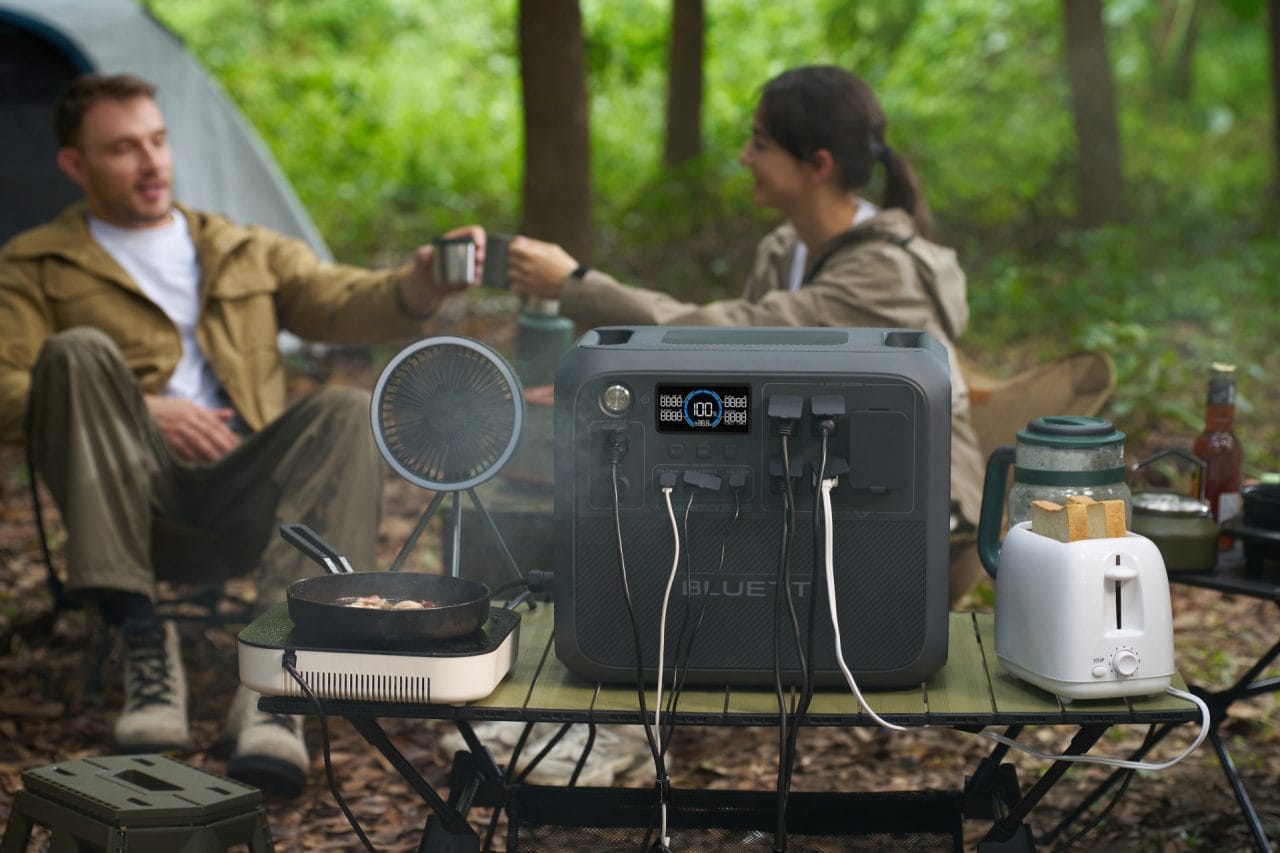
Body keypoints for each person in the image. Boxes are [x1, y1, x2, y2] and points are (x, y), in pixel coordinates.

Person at [0, 73, 480, 797]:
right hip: (127, 496)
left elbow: (340, 300)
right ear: (76, 164)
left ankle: (279, 682)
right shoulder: (35, 263)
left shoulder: (239, 248)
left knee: (344, 408)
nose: (151, 162)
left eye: (157, 141)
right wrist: (139, 405)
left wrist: (418, 285)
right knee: (76, 353)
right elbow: (5, 387)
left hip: (247, 490)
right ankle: (142, 646)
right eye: (124, 148)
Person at [505, 64, 986, 602]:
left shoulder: (884, 272)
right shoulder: (784, 249)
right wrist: (615, 400)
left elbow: (729, 335)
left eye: (759, 144)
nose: (744, 158)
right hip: (819, 492)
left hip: (917, 519)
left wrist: (576, 286)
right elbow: (737, 379)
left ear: (817, 166)